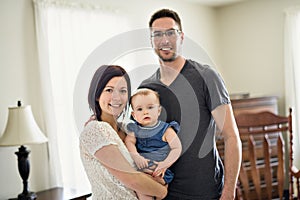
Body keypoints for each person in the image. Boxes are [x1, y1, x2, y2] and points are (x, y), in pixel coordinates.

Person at [138, 8, 242, 199]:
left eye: (171, 32)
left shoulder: (206, 76)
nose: (165, 40)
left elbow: (231, 136)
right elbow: (136, 138)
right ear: (151, 41)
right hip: (165, 192)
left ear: (182, 37)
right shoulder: (146, 89)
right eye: (157, 34)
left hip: (207, 191)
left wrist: (229, 192)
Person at [79, 65, 167, 199]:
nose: (116, 97)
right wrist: (162, 191)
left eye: (123, 91)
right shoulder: (95, 130)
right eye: (109, 90)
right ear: (97, 95)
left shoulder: (128, 129)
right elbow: (133, 179)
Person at [125, 88, 182, 200]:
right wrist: (136, 156)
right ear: (134, 115)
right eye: (140, 109)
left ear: (158, 111)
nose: (145, 112)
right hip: (142, 168)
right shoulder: (135, 130)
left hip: (159, 170)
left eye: (150, 107)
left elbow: (177, 148)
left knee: (150, 185)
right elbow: (129, 141)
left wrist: (165, 164)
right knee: (142, 191)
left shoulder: (165, 129)